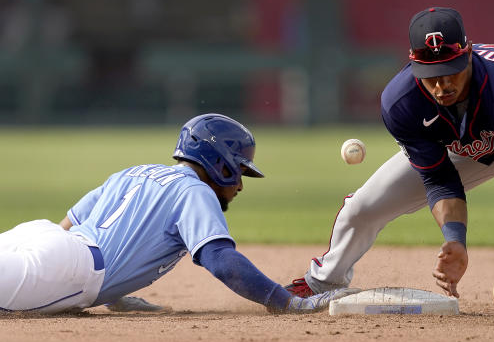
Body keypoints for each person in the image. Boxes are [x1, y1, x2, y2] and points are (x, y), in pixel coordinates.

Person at [284, 7, 494, 323]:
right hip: (468, 143)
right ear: (412, 63)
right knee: (364, 206)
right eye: (431, 75)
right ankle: (322, 281)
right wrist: (455, 242)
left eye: (451, 70)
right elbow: (438, 179)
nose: (442, 85)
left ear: (469, 54)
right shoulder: (401, 102)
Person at [0, 114, 353, 315]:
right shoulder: (194, 191)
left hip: (39, 238)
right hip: (69, 268)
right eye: (239, 173)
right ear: (220, 165)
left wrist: (115, 296)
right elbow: (221, 260)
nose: (240, 187)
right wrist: (285, 301)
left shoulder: (134, 172)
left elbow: (71, 227)